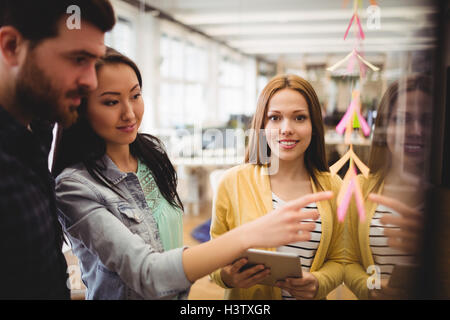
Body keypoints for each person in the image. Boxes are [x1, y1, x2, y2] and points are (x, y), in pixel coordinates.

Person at [52, 48, 333, 300]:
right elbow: (148, 273)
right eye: (111, 102)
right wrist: (250, 236)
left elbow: (170, 246)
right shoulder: (75, 187)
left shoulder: (151, 156)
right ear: (81, 108)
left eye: (135, 96)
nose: (130, 113)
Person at [0, 0, 115, 299]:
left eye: (94, 61)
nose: (91, 81)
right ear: (11, 46)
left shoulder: (35, 124)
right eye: (78, 59)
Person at [210, 74, 345, 300]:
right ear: (262, 124)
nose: (286, 129)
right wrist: (227, 276)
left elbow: (342, 259)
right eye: (275, 118)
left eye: (300, 118)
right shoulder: (232, 182)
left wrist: (320, 282)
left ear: (314, 126)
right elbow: (214, 255)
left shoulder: (333, 186)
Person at [344, 74, 432, 299]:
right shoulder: (361, 188)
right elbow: (348, 262)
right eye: (403, 120)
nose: (417, 131)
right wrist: (372, 287)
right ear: (384, 126)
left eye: (427, 120)